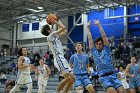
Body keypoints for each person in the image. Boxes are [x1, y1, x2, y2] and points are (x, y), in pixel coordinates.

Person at [86, 20, 125, 93]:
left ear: (103, 44)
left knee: (123, 91)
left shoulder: (106, 49)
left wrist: (98, 25)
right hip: (104, 77)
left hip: (113, 75)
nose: (98, 45)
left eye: (100, 43)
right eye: (97, 44)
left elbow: (103, 35)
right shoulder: (94, 52)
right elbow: (90, 39)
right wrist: (87, 27)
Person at [41, 18, 75, 93]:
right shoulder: (50, 36)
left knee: (72, 78)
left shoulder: (55, 35)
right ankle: (56, 92)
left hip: (62, 58)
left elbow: (65, 31)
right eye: (50, 27)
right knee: (67, 78)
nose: (52, 28)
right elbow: (63, 27)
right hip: (58, 57)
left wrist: (57, 23)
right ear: (48, 30)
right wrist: (55, 22)